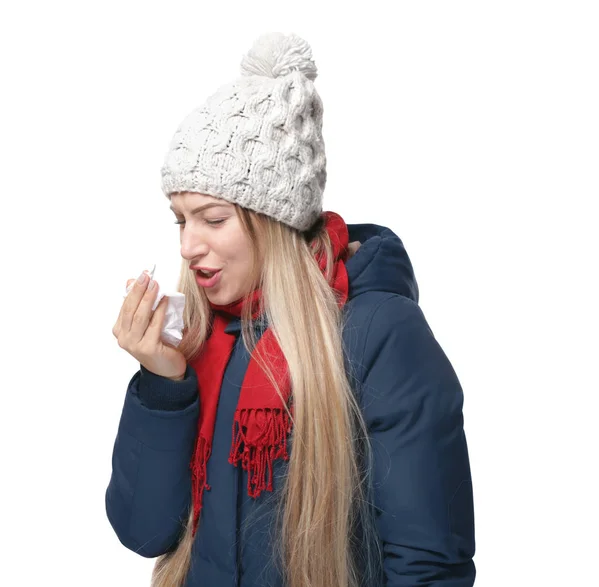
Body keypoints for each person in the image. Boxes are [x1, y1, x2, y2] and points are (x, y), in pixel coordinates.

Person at [106, 32, 476, 587]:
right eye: (181, 220)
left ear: (273, 219)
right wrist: (163, 387)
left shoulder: (380, 336)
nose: (187, 246)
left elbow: (429, 565)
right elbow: (146, 533)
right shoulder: (201, 337)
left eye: (213, 218)